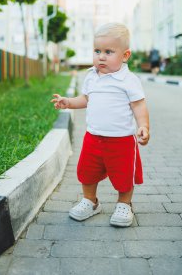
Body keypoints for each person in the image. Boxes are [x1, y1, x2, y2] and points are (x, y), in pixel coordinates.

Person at [51, 23, 150, 227]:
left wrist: (144, 126)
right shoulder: (91, 77)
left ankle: (124, 204)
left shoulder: (128, 80)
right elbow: (85, 99)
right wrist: (69, 102)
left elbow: (139, 106)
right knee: (87, 172)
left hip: (121, 140)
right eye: (97, 51)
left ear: (125, 55)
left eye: (108, 52)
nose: (101, 57)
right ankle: (91, 201)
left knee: (123, 175)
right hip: (93, 137)